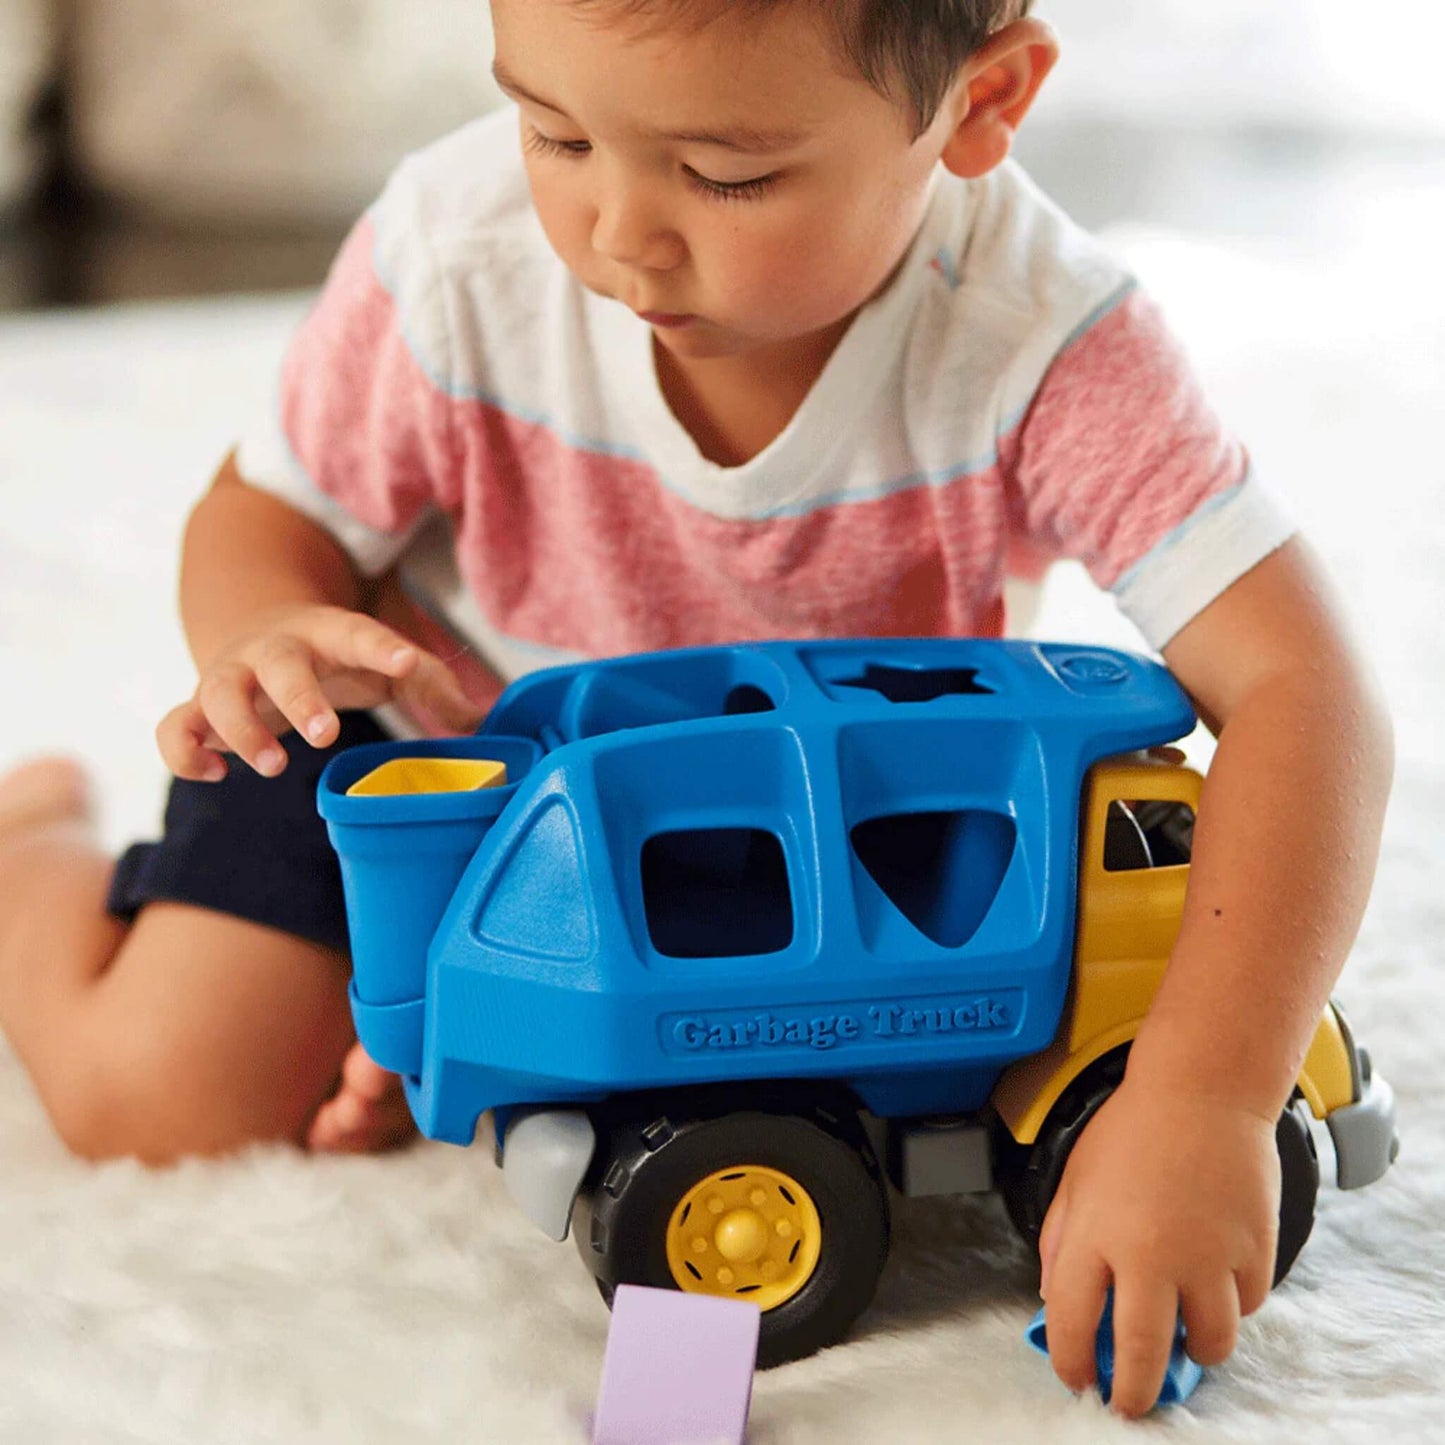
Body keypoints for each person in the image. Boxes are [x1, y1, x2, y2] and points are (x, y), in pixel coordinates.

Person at [0, 0, 1392, 1417]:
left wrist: (1204, 1096)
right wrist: (267, 631)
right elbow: (265, 515)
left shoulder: (1043, 341)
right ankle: (31, 846)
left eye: (723, 174)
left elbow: (1303, 688)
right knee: (160, 1098)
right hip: (428, 777)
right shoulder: (455, 255)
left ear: (980, 104)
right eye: (551, 129)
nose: (616, 231)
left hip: (805, 846)